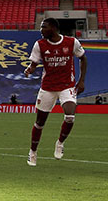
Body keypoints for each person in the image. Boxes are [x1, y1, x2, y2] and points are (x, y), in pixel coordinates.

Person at [23, 17, 87, 166]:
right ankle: (33, 152)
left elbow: (83, 58)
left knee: (70, 116)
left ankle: (60, 142)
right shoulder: (39, 45)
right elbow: (34, 64)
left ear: (53, 28)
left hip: (67, 86)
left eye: (44, 27)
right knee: (40, 122)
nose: (41, 30)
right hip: (48, 87)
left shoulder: (71, 42)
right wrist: (29, 70)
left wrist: (82, 80)